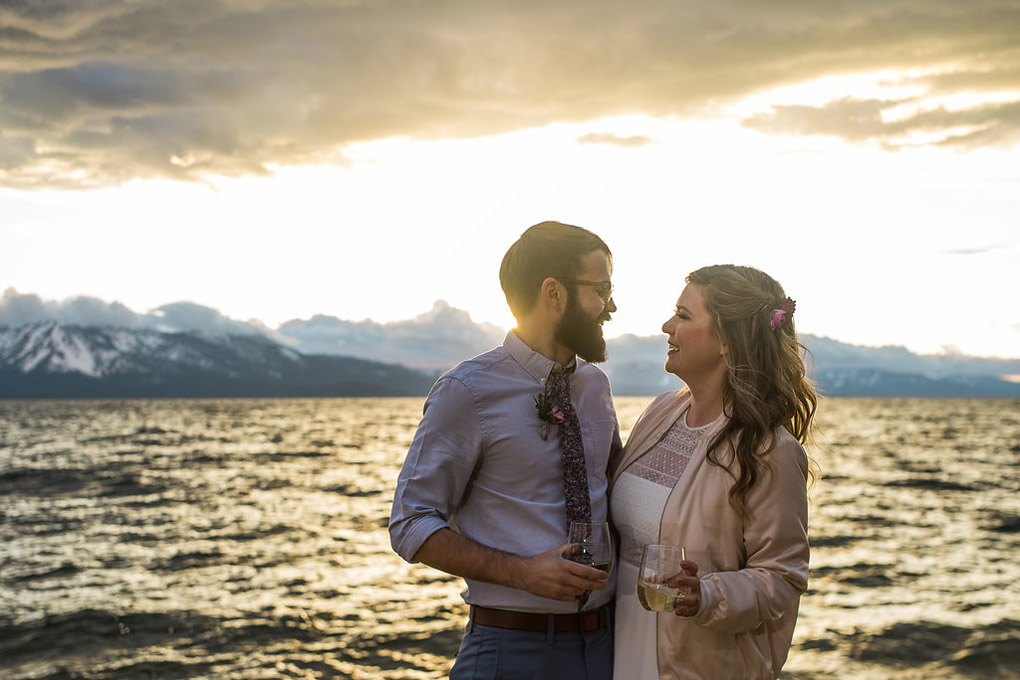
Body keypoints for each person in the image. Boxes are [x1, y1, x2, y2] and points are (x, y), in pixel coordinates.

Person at [389, 221, 623, 680]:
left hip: (609, 648)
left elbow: (614, 493)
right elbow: (410, 523)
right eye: (601, 288)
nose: (611, 306)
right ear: (553, 293)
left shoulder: (596, 386)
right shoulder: (467, 391)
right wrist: (522, 573)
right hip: (511, 652)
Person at [610, 264, 816, 680]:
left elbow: (781, 578)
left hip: (694, 662)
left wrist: (705, 594)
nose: (668, 325)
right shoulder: (660, 412)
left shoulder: (769, 449)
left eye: (684, 316)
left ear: (727, 339)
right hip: (616, 644)